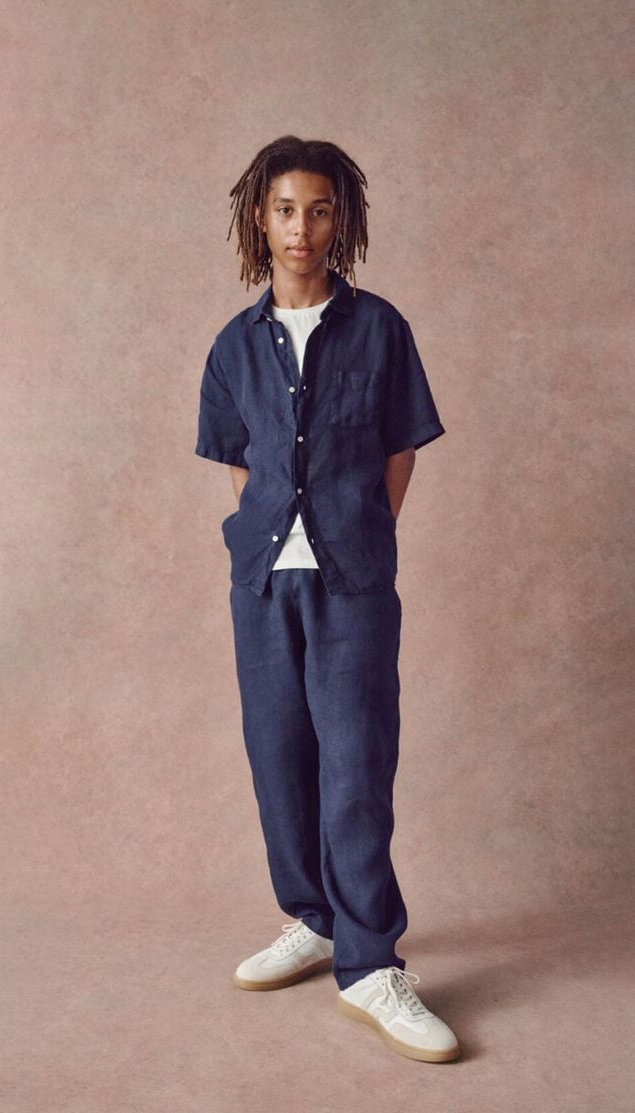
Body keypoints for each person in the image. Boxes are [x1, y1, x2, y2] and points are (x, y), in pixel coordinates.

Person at [195, 135, 459, 1063]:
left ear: (339, 218)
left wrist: (358, 532)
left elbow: (400, 448)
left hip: (354, 581)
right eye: (283, 209)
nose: (300, 227)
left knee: (355, 765)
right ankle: (311, 918)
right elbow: (238, 460)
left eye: (317, 208)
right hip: (264, 580)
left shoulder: (381, 329)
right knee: (279, 759)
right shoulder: (235, 346)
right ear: (258, 220)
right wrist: (270, 539)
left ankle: (370, 961)